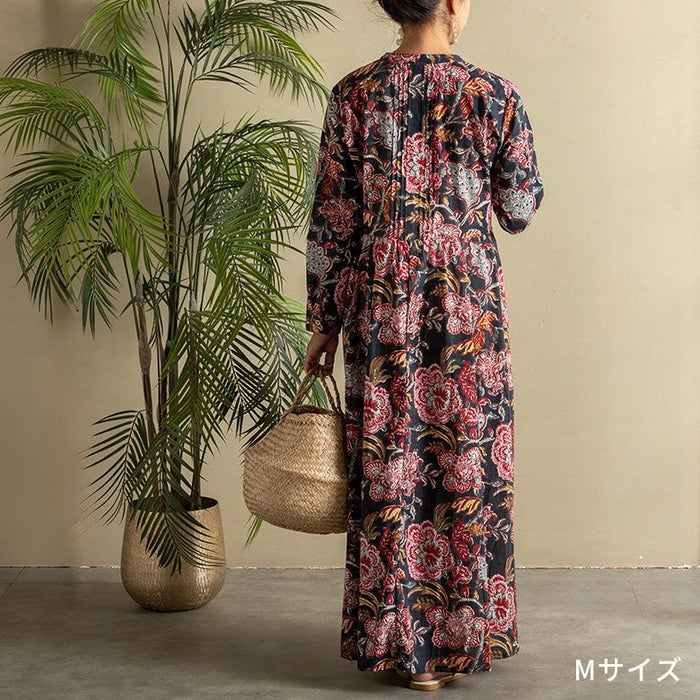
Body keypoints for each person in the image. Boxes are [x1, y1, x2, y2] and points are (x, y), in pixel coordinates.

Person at [304, 0, 544, 691]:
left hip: (383, 308)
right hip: (467, 312)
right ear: (451, 3)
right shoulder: (494, 95)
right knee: (466, 465)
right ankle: (458, 640)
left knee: (393, 466)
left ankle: (403, 645)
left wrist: (323, 321)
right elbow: (519, 209)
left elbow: (334, 221)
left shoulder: (353, 94)